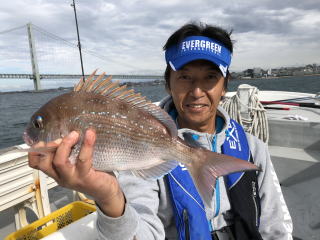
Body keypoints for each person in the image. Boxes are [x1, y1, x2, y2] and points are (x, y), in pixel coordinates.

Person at [28, 22, 293, 240]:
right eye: (185, 77)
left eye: (210, 78)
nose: (197, 91)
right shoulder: (140, 152)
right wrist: (109, 197)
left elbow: (275, 227)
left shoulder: (253, 147)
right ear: (168, 83)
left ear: (224, 86)